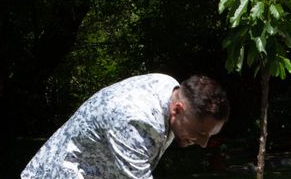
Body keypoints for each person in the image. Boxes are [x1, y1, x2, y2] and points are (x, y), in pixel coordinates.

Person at [21, 73, 229, 178]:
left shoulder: (171, 88)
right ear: (178, 109)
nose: (204, 143)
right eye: (200, 133)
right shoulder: (137, 121)